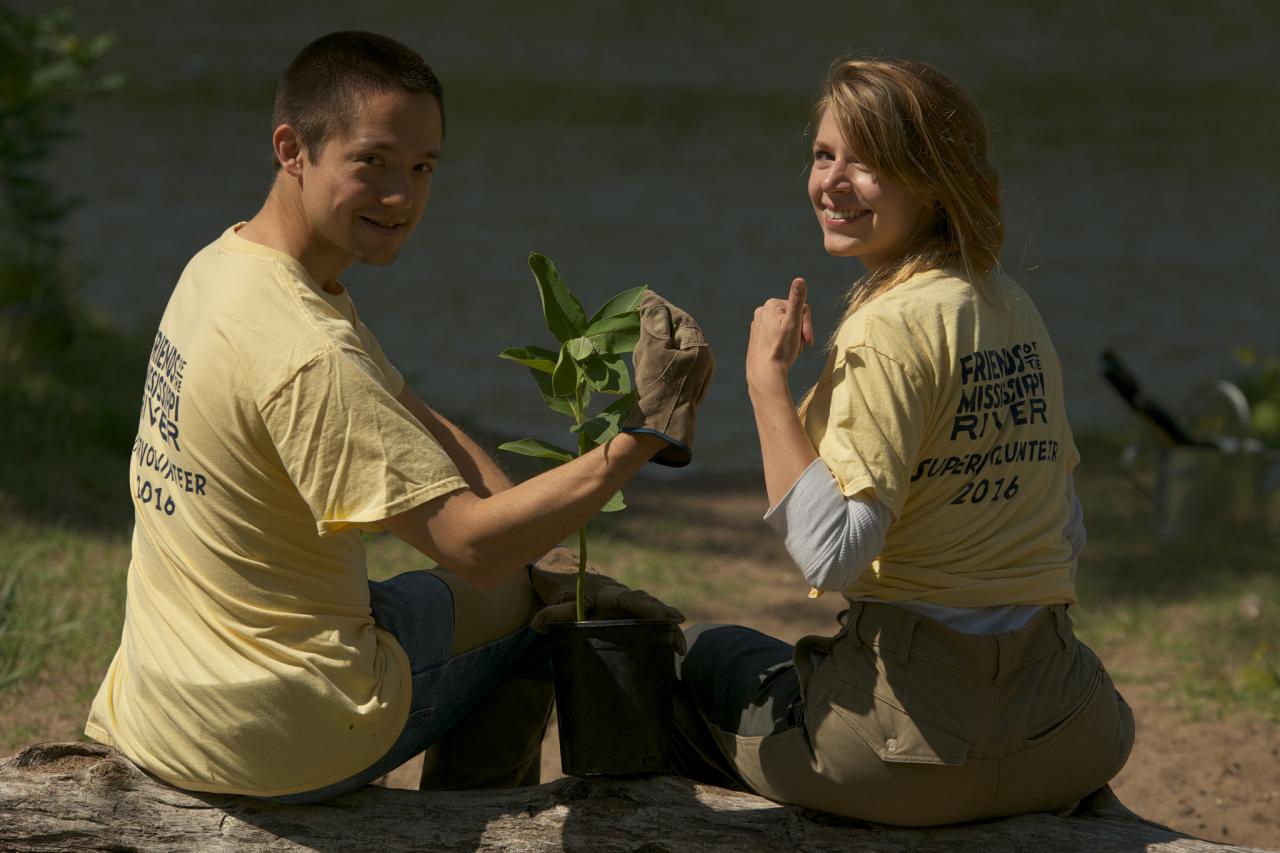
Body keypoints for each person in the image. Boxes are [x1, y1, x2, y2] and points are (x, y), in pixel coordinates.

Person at [84, 31, 713, 803]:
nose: (401, 197)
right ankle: (467, 826)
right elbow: (470, 549)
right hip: (277, 735)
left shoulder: (224, 267)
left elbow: (417, 416)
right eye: (372, 162)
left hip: (165, 705)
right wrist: (640, 437)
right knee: (527, 620)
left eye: (422, 168)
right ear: (293, 149)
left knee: (523, 589)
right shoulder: (309, 353)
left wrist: (532, 567)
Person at [670, 57, 1133, 825]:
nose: (834, 182)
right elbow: (1064, 520)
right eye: (825, 155)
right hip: (1070, 732)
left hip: (906, 753)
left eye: (872, 161)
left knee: (702, 660)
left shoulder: (887, 329)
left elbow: (832, 551)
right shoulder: (1008, 302)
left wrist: (765, 385)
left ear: (934, 179)